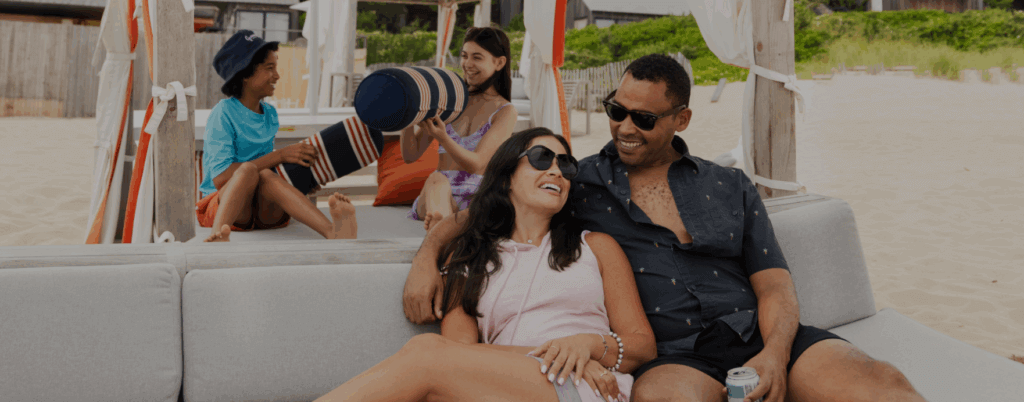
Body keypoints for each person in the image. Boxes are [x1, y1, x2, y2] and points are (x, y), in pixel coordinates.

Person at [401, 54, 928, 402]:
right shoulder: (580, 182)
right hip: (672, 356)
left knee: (882, 385)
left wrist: (774, 353)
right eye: (616, 111)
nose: (625, 127)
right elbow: (486, 209)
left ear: (681, 119)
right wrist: (427, 258)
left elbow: (773, 285)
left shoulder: (731, 185)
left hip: (753, 334)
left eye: (644, 119)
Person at [315, 128, 656, 402]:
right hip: (507, 387)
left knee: (426, 352)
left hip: (587, 389)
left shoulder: (595, 247)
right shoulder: (471, 256)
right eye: (541, 158)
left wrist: (587, 347)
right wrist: (560, 359)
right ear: (507, 177)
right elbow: (460, 356)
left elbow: (642, 345)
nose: (556, 170)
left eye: (566, 165)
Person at [197, 30, 356, 242]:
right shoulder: (223, 113)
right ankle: (217, 236)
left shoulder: (269, 114)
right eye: (269, 68)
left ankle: (332, 232)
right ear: (245, 74)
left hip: (262, 212)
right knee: (247, 171)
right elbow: (221, 178)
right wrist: (280, 155)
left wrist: (301, 179)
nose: (277, 76)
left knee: (264, 175)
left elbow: (267, 170)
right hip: (225, 209)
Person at [401, 27, 518, 231]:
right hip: (435, 195)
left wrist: (443, 138)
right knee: (437, 178)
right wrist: (407, 116)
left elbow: (478, 165)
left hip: (476, 200)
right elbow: (411, 155)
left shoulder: (505, 112)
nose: (467, 64)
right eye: (464, 56)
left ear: (499, 62)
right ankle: (444, 231)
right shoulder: (449, 99)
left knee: (448, 197)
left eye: (477, 57)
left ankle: (442, 230)